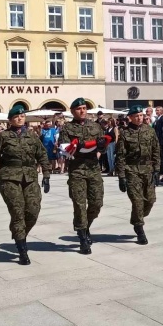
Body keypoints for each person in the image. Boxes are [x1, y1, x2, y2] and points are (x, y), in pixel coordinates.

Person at [0, 105, 51, 265]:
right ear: (10, 119)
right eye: (16, 116)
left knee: (33, 211)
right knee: (18, 213)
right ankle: (22, 249)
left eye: (22, 115)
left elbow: (43, 155)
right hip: (9, 178)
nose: (20, 118)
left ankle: (19, 233)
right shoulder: (2, 137)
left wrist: (46, 175)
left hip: (30, 177)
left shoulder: (32, 136)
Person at [59, 97, 107, 254]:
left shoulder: (96, 126)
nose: (82, 111)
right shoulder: (67, 128)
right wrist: (78, 149)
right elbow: (66, 149)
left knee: (97, 203)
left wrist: (99, 152)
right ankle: (82, 237)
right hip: (77, 170)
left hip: (93, 168)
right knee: (79, 204)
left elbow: (103, 144)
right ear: (73, 111)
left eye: (85, 108)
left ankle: (86, 226)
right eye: (79, 108)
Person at [116, 105, 160, 245]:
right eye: (136, 116)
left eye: (141, 115)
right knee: (137, 201)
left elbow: (156, 151)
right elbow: (120, 156)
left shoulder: (150, 131)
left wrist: (157, 170)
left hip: (147, 169)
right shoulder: (124, 133)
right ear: (130, 117)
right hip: (132, 169)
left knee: (150, 200)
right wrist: (121, 176)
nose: (139, 118)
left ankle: (137, 217)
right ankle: (139, 228)